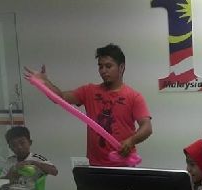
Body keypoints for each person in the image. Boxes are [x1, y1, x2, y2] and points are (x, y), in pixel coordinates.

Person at [24, 43, 152, 166]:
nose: (103, 71)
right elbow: (60, 98)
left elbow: (147, 127)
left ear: (121, 67)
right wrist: (44, 82)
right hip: (95, 165)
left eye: (108, 66)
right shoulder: (89, 91)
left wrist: (131, 141)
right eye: (100, 66)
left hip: (124, 164)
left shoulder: (134, 96)